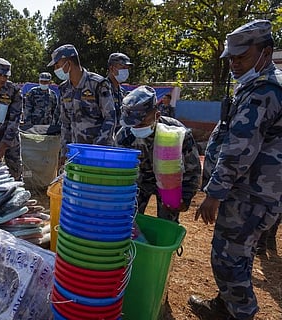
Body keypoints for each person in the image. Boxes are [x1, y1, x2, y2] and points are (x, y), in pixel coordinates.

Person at [189, 20, 282, 320]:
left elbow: (240, 149)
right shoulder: (256, 86)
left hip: (250, 195)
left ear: (265, 53)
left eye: (241, 57)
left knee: (227, 260)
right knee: (238, 256)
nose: (234, 64)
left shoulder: (263, 91)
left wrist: (214, 194)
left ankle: (240, 312)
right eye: (231, 57)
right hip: (251, 193)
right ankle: (225, 306)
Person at [115, 85, 201, 222]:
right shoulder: (124, 136)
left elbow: (193, 168)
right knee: (128, 220)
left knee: (168, 222)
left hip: (170, 185)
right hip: (139, 183)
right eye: (132, 123)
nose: (136, 127)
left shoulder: (176, 133)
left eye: (141, 122)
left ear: (157, 115)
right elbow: (119, 172)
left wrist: (186, 196)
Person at [47, 44, 116, 167]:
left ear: (68, 63)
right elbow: (65, 123)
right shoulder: (64, 88)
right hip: (75, 154)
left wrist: (97, 149)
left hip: (99, 152)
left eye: (57, 65)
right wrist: (64, 152)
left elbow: (110, 118)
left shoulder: (97, 84)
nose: (55, 69)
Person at [107, 52, 133, 132]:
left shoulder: (122, 92)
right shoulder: (101, 88)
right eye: (122, 67)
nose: (125, 71)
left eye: (127, 68)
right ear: (111, 68)